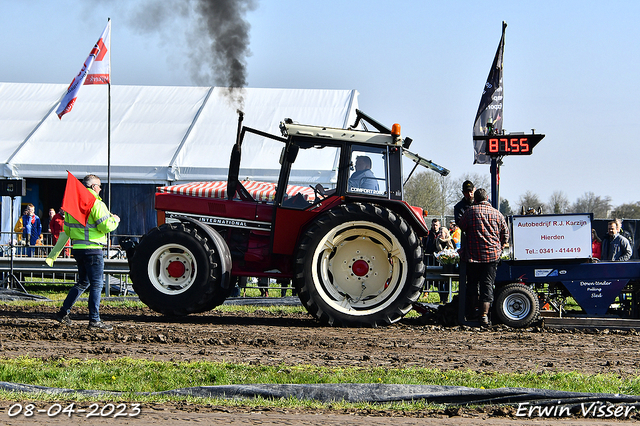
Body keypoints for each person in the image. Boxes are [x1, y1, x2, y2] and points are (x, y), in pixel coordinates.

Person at [54, 174, 120, 331]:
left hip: (78, 249)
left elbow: (68, 230)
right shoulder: (96, 204)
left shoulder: (73, 205)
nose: (100, 189)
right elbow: (105, 226)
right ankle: (94, 320)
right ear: (93, 187)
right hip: (93, 250)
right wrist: (115, 220)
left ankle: (63, 313)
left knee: (83, 282)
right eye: (99, 186)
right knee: (96, 284)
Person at [459, 188, 509, 326]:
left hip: (473, 257)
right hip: (492, 257)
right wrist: (501, 246)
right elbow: (505, 234)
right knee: (487, 285)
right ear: (487, 198)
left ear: (474, 199)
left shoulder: (469, 212)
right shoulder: (497, 214)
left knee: (473, 284)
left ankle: (474, 310)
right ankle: (484, 316)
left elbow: (462, 227)